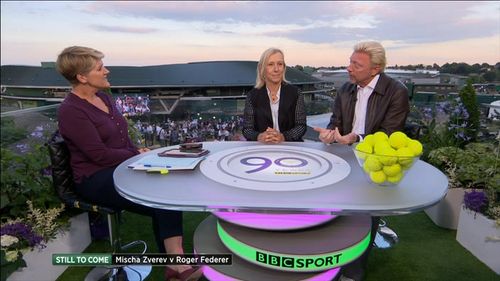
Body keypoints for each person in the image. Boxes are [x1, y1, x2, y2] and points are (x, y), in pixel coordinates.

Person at [55, 46, 201, 281]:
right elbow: (98, 155)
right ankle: (177, 265)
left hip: (122, 167)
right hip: (95, 178)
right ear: (82, 77)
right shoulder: (70, 111)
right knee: (160, 198)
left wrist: (136, 151)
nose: (107, 71)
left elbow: (121, 139)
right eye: (100, 68)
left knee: (169, 192)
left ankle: (175, 262)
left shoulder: (103, 97)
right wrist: (135, 157)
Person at [314, 41, 409, 281]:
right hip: (344, 159)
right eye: (350, 62)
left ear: (375, 69)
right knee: (338, 214)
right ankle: (331, 264)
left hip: (374, 164)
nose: (349, 68)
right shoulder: (346, 89)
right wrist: (330, 134)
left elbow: (390, 135)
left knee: (365, 219)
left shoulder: (396, 91)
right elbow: (335, 121)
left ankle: (353, 273)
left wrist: (357, 137)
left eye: (356, 64)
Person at [242, 47, 306, 143]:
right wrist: (260, 136)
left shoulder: (296, 93)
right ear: (262, 69)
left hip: (290, 148)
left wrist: (283, 137)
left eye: (280, 64)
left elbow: (301, 126)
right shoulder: (252, 96)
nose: (276, 69)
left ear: (284, 68)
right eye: (271, 64)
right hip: (262, 149)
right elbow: (247, 129)